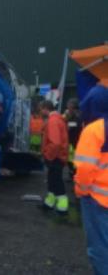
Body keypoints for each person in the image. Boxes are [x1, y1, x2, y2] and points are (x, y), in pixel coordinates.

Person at [73, 84, 108, 275]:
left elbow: (85, 167)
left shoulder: (94, 129)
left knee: (100, 248)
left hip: (97, 199)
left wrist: (82, 190)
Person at [39, 100, 69, 214]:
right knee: (52, 181)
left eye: (41, 109)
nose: (40, 112)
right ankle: (49, 203)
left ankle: (62, 208)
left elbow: (55, 143)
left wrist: (47, 155)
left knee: (56, 181)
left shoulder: (53, 121)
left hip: (55, 157)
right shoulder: (57, 119)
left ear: (46, 108)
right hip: (58, 156)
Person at [63, 98, 83, 178]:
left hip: (76, 142)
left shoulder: (78, 115)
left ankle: (75, 175)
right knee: (71, 160)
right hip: (71, 142)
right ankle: (72, 174)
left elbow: (74, 125)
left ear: (73, 106)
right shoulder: (71, 115)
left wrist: (66, 122)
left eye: (69, 105)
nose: (67, 107)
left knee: (74, 160)